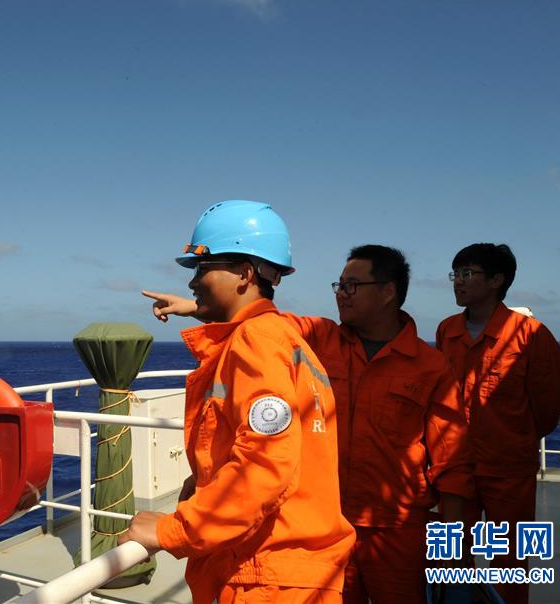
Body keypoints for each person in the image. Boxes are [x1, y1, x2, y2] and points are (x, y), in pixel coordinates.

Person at [144, 244, 475, 604]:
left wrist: (453, 551)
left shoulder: (430, 366)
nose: (341, 296)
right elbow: (261, 318)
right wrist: (199, 307)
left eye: (351, 286)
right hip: (325, 523)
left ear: (387, 291)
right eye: (339, 286)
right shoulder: (320, 337)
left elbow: (452, 463)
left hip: (395, 533)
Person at [120, 200, 355, 604]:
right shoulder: (280, 338)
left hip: (262, 574)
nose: (193, 282)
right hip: (290, 569)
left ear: (245, 274)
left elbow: (263, 463)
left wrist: (173, 530)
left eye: (203, 267)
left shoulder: (256, 343)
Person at [436, 243, 560, 604]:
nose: (458, 282)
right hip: (455, 467)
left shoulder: (529, 335)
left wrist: (517, 438)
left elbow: (549, 403)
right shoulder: (447, 331)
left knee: (508, 563)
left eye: (467, 274)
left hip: (508, 470)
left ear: (497, 280)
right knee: (447, 557)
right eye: (455, 274)